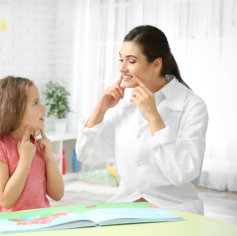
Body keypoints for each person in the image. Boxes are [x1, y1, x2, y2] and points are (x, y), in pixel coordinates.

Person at [76, 25, 208, 215]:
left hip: (175, 211)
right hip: (127, 209)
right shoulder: (122, 104)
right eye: (121, 59)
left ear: (156, 64)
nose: (122, 68)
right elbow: (88, 155)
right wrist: (100, 109)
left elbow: (183, 172)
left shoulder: (192, 105)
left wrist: (154, 118)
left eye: (131, 61)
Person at [0, 76, 64, 220]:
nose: (44, 108)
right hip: (9, 227)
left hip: (40, 223)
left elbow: (58, 194)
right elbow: (6, 200)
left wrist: (49, 159)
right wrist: (25, 160)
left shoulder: (36, 145)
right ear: (13, 110)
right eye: (36, 103)